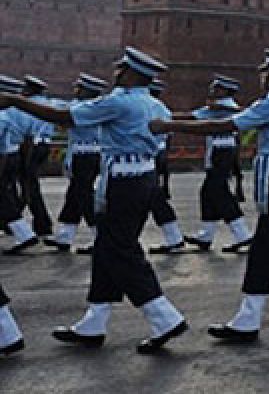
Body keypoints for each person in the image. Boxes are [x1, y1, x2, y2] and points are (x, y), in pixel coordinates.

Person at [152, 49, 269, 347]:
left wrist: (169, 126)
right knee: (262, 254)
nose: (262, 74)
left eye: (267, 70)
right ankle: (248, 318)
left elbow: (225, 126)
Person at [1, 47, 189, 353]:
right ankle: (95, 321)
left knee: (121, 249)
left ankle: (164, 316)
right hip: (142, 178)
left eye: (120, 69)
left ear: (129, 74)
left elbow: (66, 117)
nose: (115, 73)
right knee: (106, 248)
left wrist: (15, 101)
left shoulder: (119, 102)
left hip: (122, 182)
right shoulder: (156, 105)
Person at [181, 75, 253, 253]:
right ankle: (206, 235)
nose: (212, 91)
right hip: (217, 152)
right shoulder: (214, 108)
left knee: (219, 192)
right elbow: (192, 116)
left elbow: (242, 112)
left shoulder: (228, 107)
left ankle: (242, 234)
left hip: (223, 152)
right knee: (208, 192)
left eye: (216, 89)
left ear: (225, 91)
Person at [44, 73, 109, 253]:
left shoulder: (81, 108)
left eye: (79, 88)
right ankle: (65, 235)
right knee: (74, 195)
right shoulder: (99, 108)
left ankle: (99, 236)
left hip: (84, 155)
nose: (76, 91)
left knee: (84, 195)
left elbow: (57, 110)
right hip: (93, 153)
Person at [145, 79, 186, 255]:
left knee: (154, 200)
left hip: (146, 158)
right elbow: (169, 137)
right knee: (156, 199)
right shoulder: (162, 108)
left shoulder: (142, 107)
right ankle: (174, 238)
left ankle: (174, 239)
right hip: (158, 155)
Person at [0, 75, 39, 254]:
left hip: (4, 155)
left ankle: (23, 233)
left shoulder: (2, 114)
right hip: (15, 153)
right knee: (6, 194)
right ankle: (21, 231)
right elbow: (29, 138)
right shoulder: (24, 111)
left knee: (4, 196)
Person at [16, 75, 57, 238]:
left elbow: (27, 132)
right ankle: (14, 217)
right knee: (28, 184)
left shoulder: (28, 105)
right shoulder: (50, 103)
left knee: (29, 185)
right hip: (44, 145)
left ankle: (41, 223)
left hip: (32, 145)